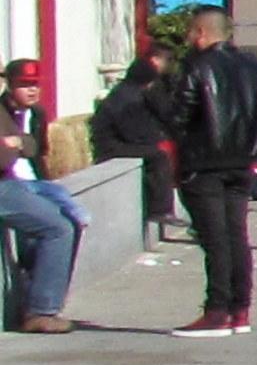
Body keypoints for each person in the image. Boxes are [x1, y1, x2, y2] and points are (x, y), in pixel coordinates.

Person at [164, 6, 257, 335]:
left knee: (215, 240)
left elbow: (178, 117)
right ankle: (240, 309)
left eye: (191, 32)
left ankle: (217, 310)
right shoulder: (255, 68)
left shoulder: (197, 67)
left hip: (203, 165)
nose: (188, 38)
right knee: (237, 236)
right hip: (242, 164)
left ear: (201, 33)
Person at [0, 58, 78, 334]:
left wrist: (19, 143)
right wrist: (15, 145)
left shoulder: (37, 113)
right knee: (57, 229)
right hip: (8, 184)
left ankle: (43, 298)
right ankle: (41, 310)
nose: (31, 91)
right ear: (9, 85)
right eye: (24, 85)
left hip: (34, 182)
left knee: (75, 218)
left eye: (35, 85)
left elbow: (36, 148)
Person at [95, 38, 180, 245]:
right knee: (158, 156)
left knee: (160, 152)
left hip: (115, 141)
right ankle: (160, 210)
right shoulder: (129, 98)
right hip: (111, 147)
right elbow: (133, 132)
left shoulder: (127, 93)